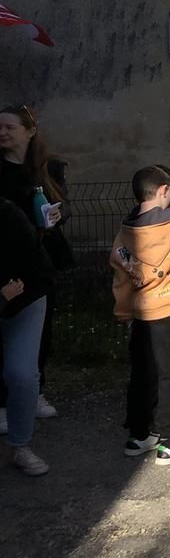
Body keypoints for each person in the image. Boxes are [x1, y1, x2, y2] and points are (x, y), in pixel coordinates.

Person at [110, 165, 170, 465]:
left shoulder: (127, 230)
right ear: (164, 190)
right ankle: (168, 441)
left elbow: (120, 271)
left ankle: (140, 435)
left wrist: (123, 309)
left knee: (143, 374)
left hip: (141, 314)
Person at [0, 104, 70, 423]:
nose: (2, 132)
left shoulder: (48, 167)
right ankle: (4, 401)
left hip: (42, 261)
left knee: (41, 331)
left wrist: (58, 213)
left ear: (29, 131)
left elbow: (64, 205)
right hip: (6, 261)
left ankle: (35, 390)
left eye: (9, 127)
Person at [0, 196, 54, 475]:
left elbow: (39, 273)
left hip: (24, 299)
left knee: (21, 373)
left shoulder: (10, 217)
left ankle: (20, 445)